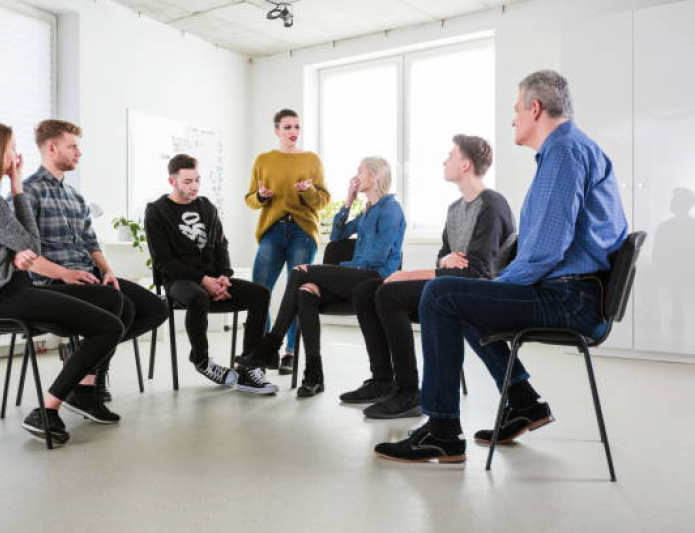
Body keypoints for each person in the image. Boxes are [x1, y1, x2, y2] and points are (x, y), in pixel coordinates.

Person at [375, 70, 628, 463]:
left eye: (516, 109)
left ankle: (442, 430)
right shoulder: (575, 149)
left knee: (441, 294)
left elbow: (544, 252)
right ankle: (523, 402)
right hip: (579, 293)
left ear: (536, 108)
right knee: (463, 298)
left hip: (571, 298)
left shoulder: (563, 153)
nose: (513, 119)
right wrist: (493, 288)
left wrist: (501, 285)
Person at [0, 119, 126, 445]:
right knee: (110, 326)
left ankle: (81, 390)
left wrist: (19, 251)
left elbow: (23, 246)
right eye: (11, 149)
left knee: (110, 300)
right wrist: (17, 186)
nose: (16, 155)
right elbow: (33, 245)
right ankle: (47, 408)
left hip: (13, 288)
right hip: (0, 297)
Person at [342, 135, 515, 419]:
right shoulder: (455, 209)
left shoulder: (493, 205)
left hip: (477, 294)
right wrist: (447, 260)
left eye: (451, 155)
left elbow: (475, 271)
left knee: (388, 293)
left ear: (466, 164)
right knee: (365, 291)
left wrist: (411, 273)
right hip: (449, 285)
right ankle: (382, 380)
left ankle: (409, 391)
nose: (444, 160)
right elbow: (444, 256)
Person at [20, 119, 168, 406]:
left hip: (88, 278)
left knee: (155, 309)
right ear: (51, 148)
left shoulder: (75, 197)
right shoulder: (28, 193)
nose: (79, 153)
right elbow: (24, 255)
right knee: (118, 306)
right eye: (72, 146)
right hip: (51, 285)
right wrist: (63, 273)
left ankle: (81, 358)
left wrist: (108, 270)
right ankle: (89, 381)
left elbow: (90, 243)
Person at [242, 157, 406, 397]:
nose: (355, 175)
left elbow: (379, 257)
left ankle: (272, 343)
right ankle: (313, 376)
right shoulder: (367, 211)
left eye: (360, 171)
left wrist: (345, 268)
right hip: (356, 278)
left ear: (375, 177)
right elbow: (338, 235)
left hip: (375, 279)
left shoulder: (391, 209)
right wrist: (348, 201)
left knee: (301, 272)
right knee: (305, 292)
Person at [145, 154, 277, 394]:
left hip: (212, 279)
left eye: (197, 179)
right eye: (187, 181)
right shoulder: (157, 211)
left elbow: (220, 246)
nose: (194, 186)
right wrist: (203, 280)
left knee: (260, 294)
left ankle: (249, 365)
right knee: (197, 296)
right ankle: (202, 360)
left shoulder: (207, 207)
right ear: (171, 181)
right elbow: (164, 261)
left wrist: (224, 275)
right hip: (179, 281)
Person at [245, 108, 330, 374]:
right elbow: (250, 199)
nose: (293, 132)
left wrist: (309, 191)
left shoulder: (312, 160)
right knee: (260, 291)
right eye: (287, 127)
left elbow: (324, 200)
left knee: (297, 293)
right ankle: (264, 350)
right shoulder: (263, 160)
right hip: (272, 230)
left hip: (302, 232)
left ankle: (290, 352)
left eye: (297, 127)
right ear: (276, 130)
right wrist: (261, 195)